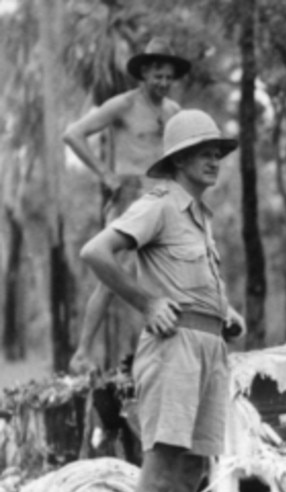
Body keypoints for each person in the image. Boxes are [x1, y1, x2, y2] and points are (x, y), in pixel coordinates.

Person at [80, 109, 242, 492]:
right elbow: (95, 251)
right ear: (178, 161)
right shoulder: (159, 206)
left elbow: (190, 283)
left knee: (192, 469)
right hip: (174, 348)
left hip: (209, 346)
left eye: (216, 153)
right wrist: (146, 303)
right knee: (162, 466)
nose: (213, 161)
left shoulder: (200, 216)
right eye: (201, 153)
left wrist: (225, 313)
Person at [66, 38, 191, 375]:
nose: (163, 83)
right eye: (157, 76)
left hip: (162, 196)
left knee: (168, 271)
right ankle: (82, 352)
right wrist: (104, 173)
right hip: (129, 193)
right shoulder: (122, 105)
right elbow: (73, 133)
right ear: (144, 73)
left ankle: (167, 352)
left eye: (168, 77)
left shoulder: (174, 112)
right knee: (111, 273)